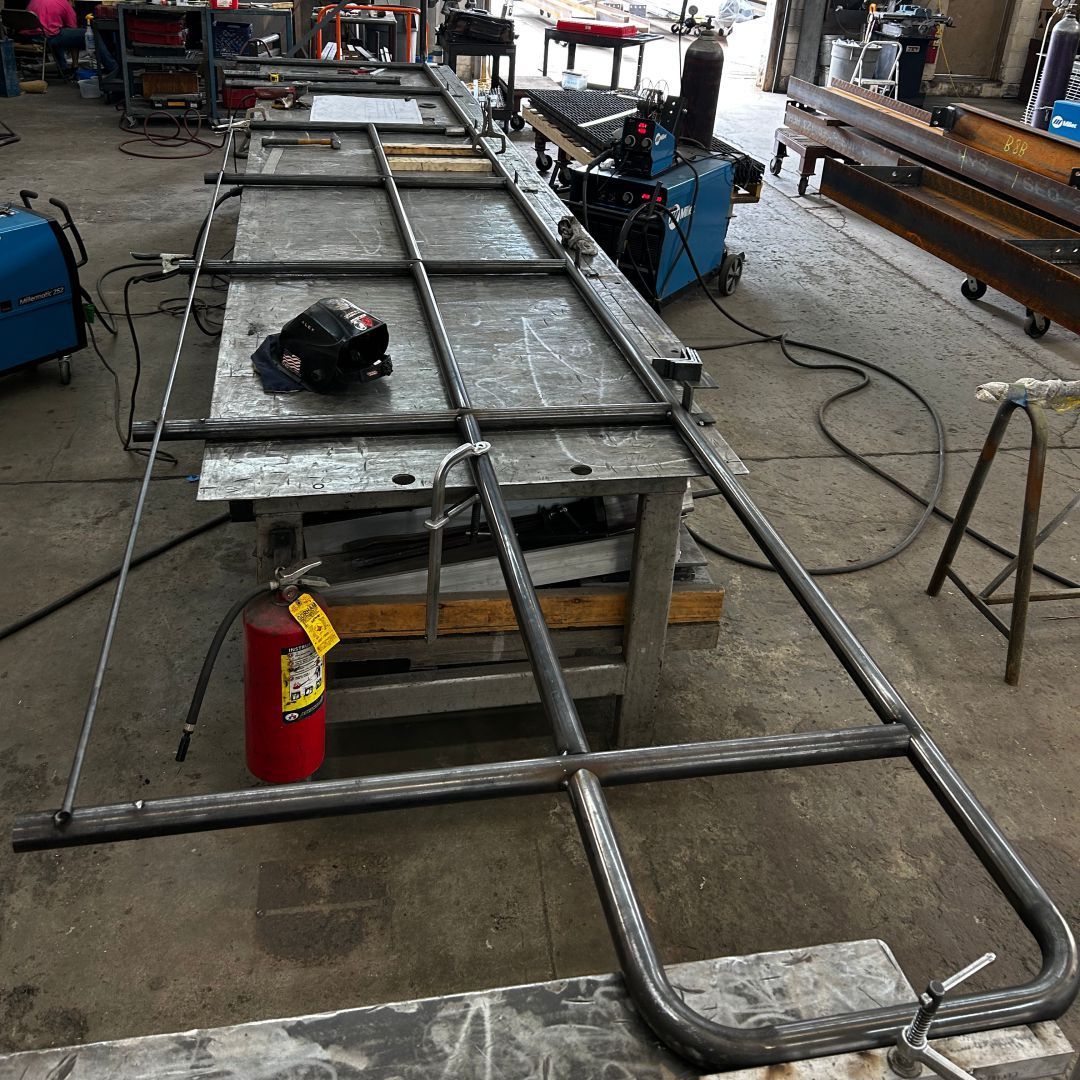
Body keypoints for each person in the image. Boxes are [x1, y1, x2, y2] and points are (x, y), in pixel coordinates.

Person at [25, 0, 116, 78]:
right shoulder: (64, 4)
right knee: (91, 34)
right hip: (47, 37)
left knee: (57, 31)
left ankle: (62, 67)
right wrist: (75, 64)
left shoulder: (34, 1)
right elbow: (73, 30)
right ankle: (112, 67)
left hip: (29, 36)